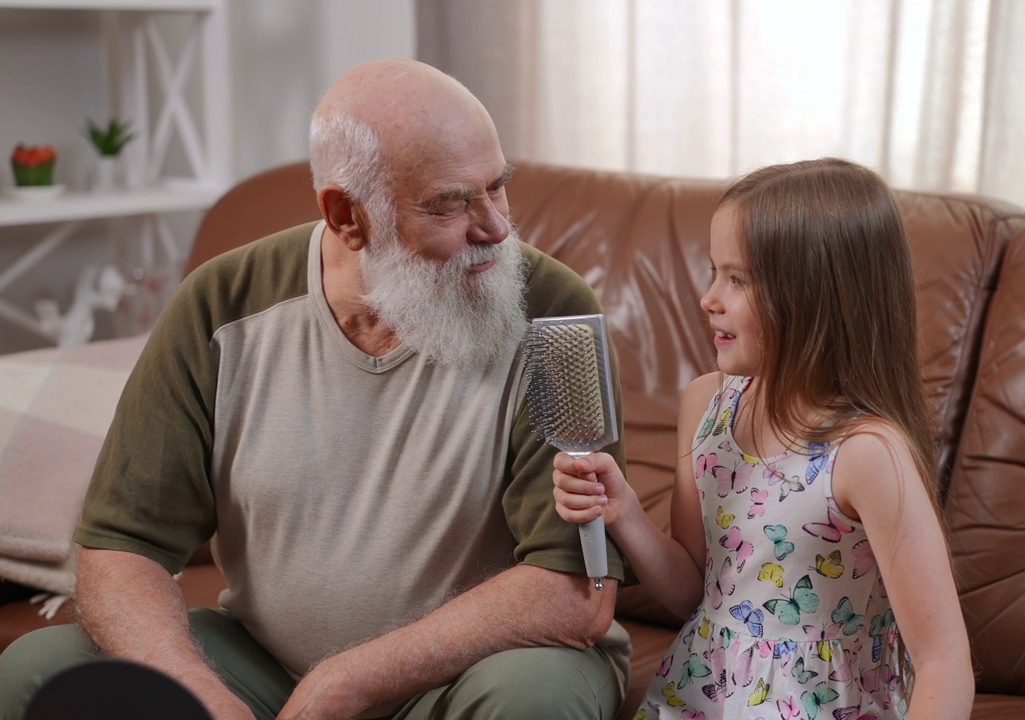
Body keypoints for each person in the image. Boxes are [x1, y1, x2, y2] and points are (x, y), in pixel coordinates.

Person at [0, 58, 630, 720]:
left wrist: (348, 681)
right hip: (266, 663)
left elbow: (571, 590)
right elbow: (122, 547)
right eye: (450, 204)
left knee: (537, 698)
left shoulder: (553, 311)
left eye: (497, 188)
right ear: (345, 216)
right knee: (38, 671)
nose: (496, 227)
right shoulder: (221, 305)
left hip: (468, 676)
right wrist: (206, 697)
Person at [553, 159, 974, 719]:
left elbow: (944, 661)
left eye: (739, 279)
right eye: (713, 272)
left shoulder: (867, 453)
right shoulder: (706, 406)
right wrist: (623, 509)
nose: (709, 299)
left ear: (815, 296)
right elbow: (694, 593)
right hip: (699, 699)